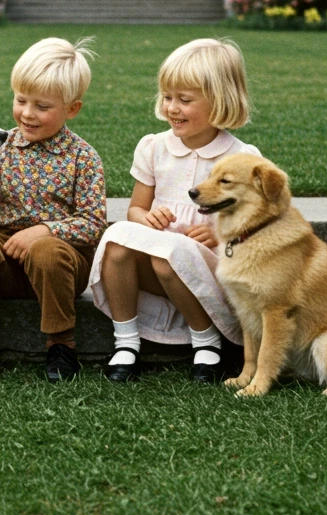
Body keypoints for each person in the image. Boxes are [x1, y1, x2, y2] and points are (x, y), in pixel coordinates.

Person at [89, 38, 260, 383]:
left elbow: (257, 227)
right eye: (167, 97)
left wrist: (217, 232)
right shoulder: (154, 147)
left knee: (169, 257)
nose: (172, 108)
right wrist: (146, 218)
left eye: (185, 100)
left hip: (209, 268)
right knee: (117, 242)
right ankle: (126, 341)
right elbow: (136, 210)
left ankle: (206, 341)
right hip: (159, 258)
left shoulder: (241, 157)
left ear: (220, 101)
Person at [0, 37, 106, 384]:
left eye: (42, 106)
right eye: (21, 100)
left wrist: (44, 231)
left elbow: (94, 223)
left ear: (72, 109)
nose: (27, 113)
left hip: (62, 264)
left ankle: (62, 345)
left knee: (47, 250)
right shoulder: (1, 148)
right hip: (9, 260)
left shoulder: (83, 158)